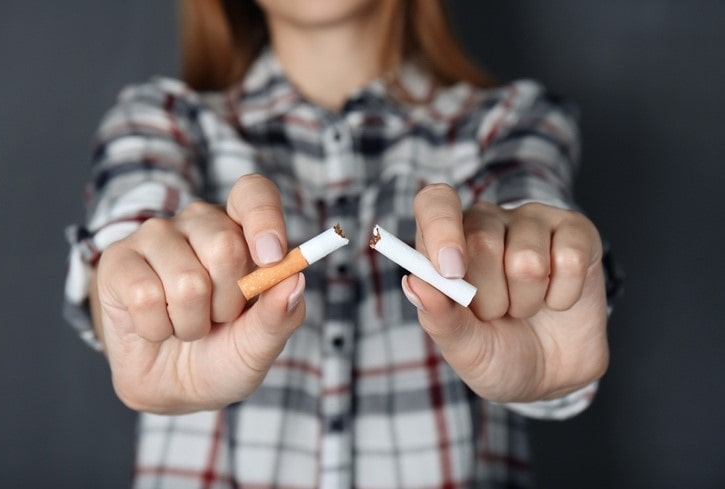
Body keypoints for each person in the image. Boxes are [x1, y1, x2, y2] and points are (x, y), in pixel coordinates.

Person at [63, 0, 614, 487]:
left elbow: (525, 197)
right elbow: (129, 224)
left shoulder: (513, 122)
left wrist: (540, 270)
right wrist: (137, 293)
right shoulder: (160, 120)